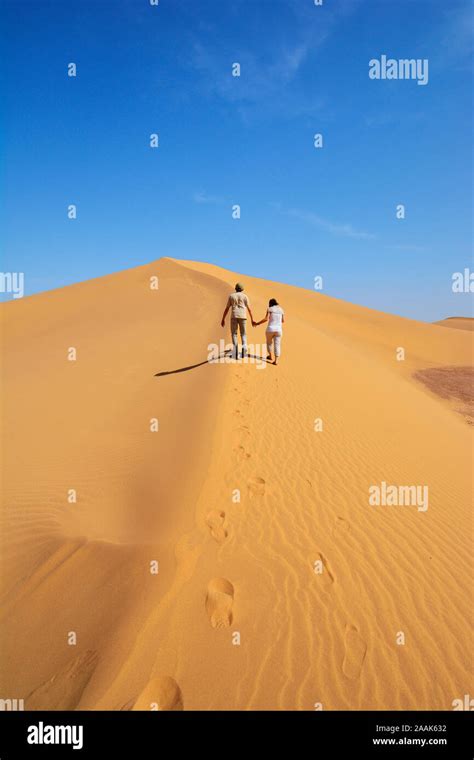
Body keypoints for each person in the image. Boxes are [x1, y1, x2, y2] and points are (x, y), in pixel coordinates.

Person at [221, 283, 255, 359]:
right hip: (243, 316)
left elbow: (227, 308)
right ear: (242, 289)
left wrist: (223, 319)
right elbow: (249, 309)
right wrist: (252, 319)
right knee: (243, 334)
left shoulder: (231, 296)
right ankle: (244, 347)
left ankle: (235, 352)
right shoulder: (245, 296)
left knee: (234, 334)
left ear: (235, 288)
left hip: (234, 316)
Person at [254, 298, 285, 365]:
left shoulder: (270, 309)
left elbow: (266, 319)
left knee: (269, 343)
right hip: (279, 330)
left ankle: (270, 356)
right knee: (277, 344)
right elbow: (283, 321)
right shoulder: (281, 310)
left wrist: (257, 323)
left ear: (270, 303)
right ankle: (276, 360)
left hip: (270, 329)